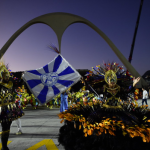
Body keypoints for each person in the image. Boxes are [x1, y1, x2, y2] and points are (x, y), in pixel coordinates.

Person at [58, 62, 150, 150]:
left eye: (114, 80)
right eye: (111, 80)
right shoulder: (104, 88)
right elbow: (94, 90)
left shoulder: (119, 88)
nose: (113, 82)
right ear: (107, 80)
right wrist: (86, 84)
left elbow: (127, 91)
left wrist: (133, 85)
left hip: (118, 109)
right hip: (106, 109)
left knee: (129, 122)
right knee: (94, 121)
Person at [0, 61, 24, 150]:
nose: (7, 77)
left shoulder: (10, 84)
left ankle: (4, 146)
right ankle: (4, 147)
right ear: (1, 76)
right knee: (4, 127)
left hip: (10, 108)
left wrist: (23, 76)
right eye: (5, 75)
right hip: (2, 108)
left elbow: (20, 82)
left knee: (7, 126)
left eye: (8, 75)